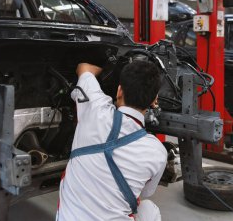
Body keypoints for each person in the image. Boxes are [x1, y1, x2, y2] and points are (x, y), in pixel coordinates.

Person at [57, 60, 167, 221]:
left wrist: (110, 63)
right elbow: (144, 192)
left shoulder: (95, 109)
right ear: (154, 100)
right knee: (149, 209)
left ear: (119, 91)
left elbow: (84, 68)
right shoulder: (158, 152)